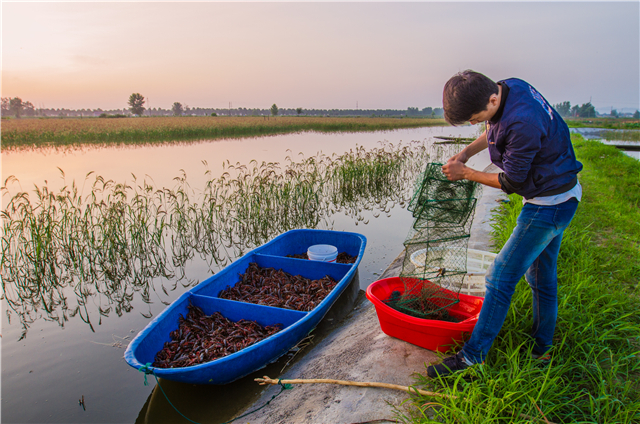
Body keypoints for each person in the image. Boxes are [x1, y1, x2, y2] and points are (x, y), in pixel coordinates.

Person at [426, 70, 582, 378]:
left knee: (499, 278)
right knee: (542, 278)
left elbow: (512, 181)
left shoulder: (523, 122)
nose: (475, 124)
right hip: (562, 194)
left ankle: (472, 359)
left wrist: (466, 173)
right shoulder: (510, 87)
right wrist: (466, 153)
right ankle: (542, 350)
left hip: (547, 205)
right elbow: (495, 128)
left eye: (474, 118)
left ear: (492, 99)